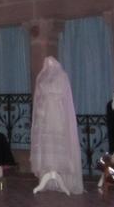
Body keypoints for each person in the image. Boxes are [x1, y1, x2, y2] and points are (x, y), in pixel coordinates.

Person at [30, 56, 83, 195]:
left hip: (56, 113)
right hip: (44, 114)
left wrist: (52, 98)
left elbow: (64, 96)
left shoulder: (62, 76)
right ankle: (49, 177)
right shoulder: (41, 77)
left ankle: (59, 177)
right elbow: (38, 97)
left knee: (57, 141)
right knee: (46, 143)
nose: (47, 64)